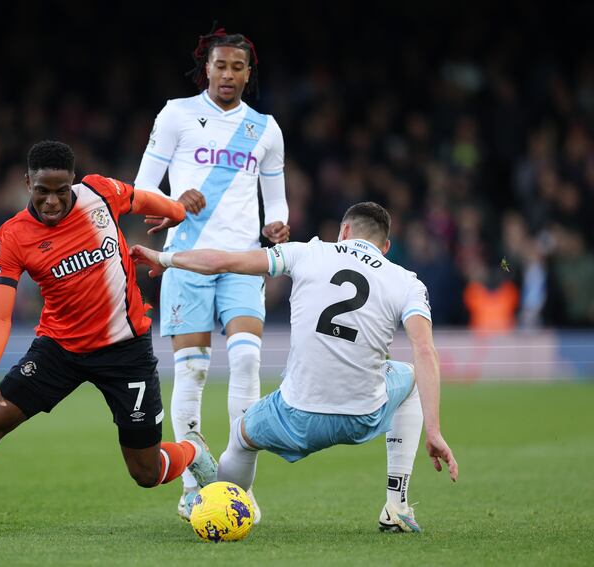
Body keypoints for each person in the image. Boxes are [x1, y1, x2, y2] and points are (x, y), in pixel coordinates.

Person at [0, 141, 218, 534]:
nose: (51, 201)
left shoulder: (100, 193)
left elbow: (148, 201)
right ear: (27, 183)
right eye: (42, 191)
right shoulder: (13, 236)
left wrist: (177, 210)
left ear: (73, 182)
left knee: (146, 473)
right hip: (60, 349)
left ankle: (192, 451)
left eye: (61, 191)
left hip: (126, 350)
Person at [131, 202, 459, 532]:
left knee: (241, 437)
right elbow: (425, 351)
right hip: (363, 415)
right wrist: (433, 432)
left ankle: (227, 503)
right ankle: (397, 506)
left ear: (344, 231)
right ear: (385, 247)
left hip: (295, 415)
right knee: (410, 378)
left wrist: (164, 259)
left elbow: (222, 261)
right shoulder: (406, 281)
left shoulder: (307, 253)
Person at [133, 26, 289, 522]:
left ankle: (238, 488)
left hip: (241, 261)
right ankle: (192, 486)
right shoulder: (176, 114)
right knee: (193, 371)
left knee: (246, 362)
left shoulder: (265, 128)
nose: (227, 74)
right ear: (206, 68)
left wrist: (277, 224)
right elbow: (140, 189)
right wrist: (174, 203)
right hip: (186, 258)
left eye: (237, 67)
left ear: (248, 73)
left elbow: (276, 201)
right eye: (220, 65)